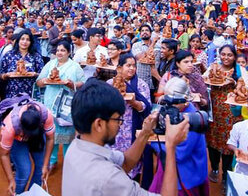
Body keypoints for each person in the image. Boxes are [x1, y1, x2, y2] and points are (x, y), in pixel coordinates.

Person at [62, 78, 190, 196]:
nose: (120, 124)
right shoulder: (109, 179)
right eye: (118, 119)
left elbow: (126, 163)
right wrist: (171, 146)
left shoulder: (77, 147)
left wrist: (145, 133)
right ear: (99, 124)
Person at [150, 77, 209, 196]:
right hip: (168, 166)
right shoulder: (172, 111)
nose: (170, 105)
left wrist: (153, 142)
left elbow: (179, 154)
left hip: (184, 176)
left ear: (186, 100)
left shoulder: (191, 119)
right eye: (167, 100)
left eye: (175, 101)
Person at [36, 40, 85, 169]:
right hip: (50, 103)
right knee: (51, 132)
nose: (59, 52)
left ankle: (68, 162)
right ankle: (52, 160)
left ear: (69, 52)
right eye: (58, 50)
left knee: (66, 135)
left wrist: (71, 84)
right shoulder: (50, 65)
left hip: (66, 107)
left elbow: (82, 83)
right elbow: (39, 82)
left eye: (63, 50)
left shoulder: (74, 66)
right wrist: (46, 80)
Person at [107, 53, 151, 179]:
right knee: (113, 159)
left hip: (132, 126)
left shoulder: (141, 85)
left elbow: (145, 107)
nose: (132, 68)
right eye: (128, 65)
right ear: (119, 68)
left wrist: (133, 102)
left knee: (132, 159)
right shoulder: (110, 84)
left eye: (134, 66)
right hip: (114, 128)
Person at [0, 98, 55, 195]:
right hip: (18, 141)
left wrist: (46, 165)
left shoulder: (46, 115)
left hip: (38, 138)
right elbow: (4, 154)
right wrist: (11, 180)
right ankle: (18, 193)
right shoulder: (10, 127)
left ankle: (32, 193)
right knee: (24, 171)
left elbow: (50, 139)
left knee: (41, 169)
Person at [206, 45, 241, 186]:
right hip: (213, 110)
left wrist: (235, 84)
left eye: (229, 55)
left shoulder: (239, 71)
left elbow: (247, 89)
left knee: (228, 142)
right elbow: (204, 81)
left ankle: (226, 174)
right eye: (223, 54)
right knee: (212, 140)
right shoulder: (213, 68)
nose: (226, 57)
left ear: (234, 57)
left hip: (230, 113)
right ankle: (214, 168)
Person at [0, 29, 44, 98]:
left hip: (30, 92)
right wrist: (6, 75)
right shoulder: (9, 55)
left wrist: (35, 74)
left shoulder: (36, 56)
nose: (24, 42)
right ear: (18, 40)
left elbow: (42, 74)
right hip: (12, 92)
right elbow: (2, 74)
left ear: (31, 42)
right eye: (22, 39)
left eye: (27, 40)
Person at [132, 24, 160, 91]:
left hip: (155, 81)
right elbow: (142, 58)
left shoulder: (158, 46)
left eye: (147, 30)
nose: (144, 32)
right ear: (140, 34)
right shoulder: (136, 45)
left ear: (151, 33)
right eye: (142, 31)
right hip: (141, 81)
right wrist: (153, 44)